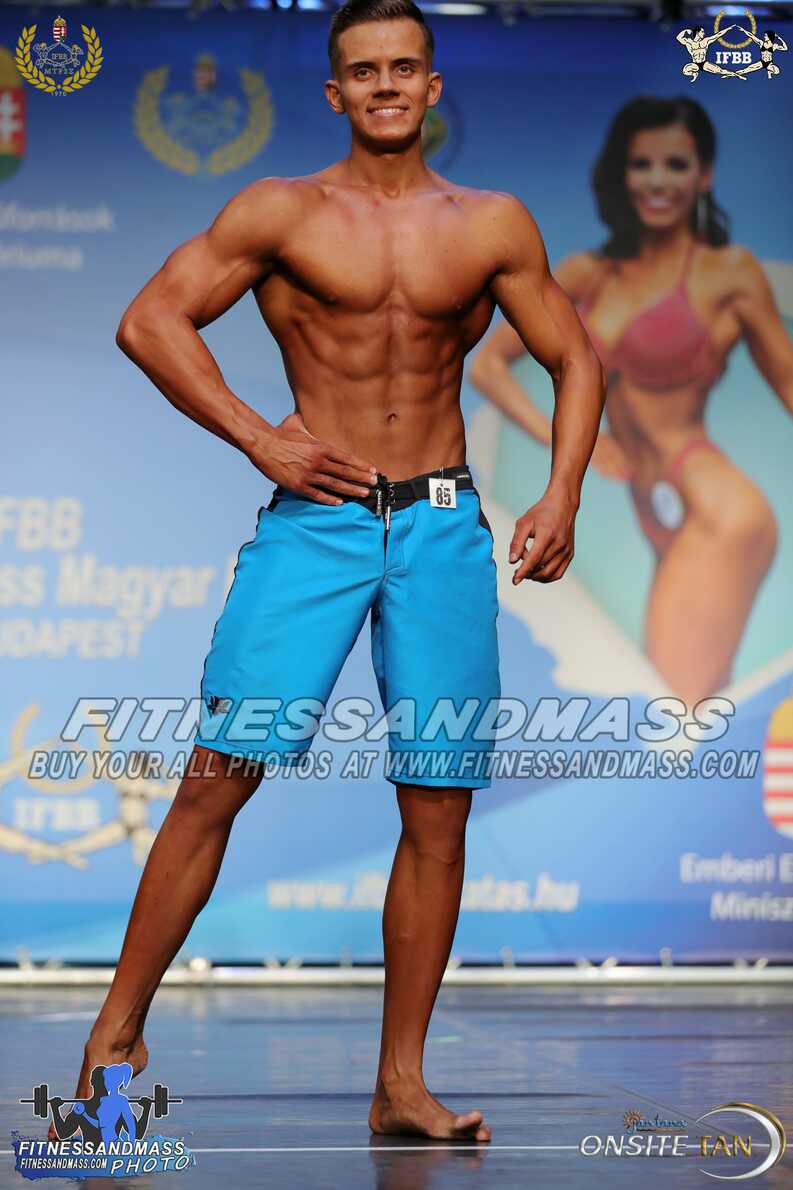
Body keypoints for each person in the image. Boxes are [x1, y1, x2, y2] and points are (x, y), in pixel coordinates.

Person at [56, 0, 604, 1144]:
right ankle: (113, 1038)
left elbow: (574, 355)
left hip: (443, 526)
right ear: (335, 91)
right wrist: (261, 438)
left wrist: (561, 491)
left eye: (404, 67)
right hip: (320, 522)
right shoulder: (282, 211)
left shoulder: (491, 222)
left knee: (438, 801)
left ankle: (400, 1081)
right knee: (218, 773)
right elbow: (151, 319)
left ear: (433, 86)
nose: (385, 86)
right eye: (364, 71)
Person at [470, 96, 793, 708]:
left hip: (719, 508)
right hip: (658, 508)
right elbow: (487, 366)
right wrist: (574, 443)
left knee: (676, 706)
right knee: (695, 701)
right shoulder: (590, 274)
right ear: (622, 173)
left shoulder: (727, 273)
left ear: (704, 175)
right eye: (642, 164)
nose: (658, 181)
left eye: (677, 164)